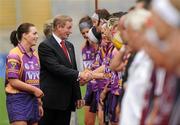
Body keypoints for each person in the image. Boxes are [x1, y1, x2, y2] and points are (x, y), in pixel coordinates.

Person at [38, 15, 90, 125]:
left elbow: (73, 68)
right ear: (59, 27)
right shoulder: (45, 46)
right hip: (51, 102)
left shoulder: (69, 45)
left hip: (66, 101)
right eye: (68, 28)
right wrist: (80, 74)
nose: (70, 31)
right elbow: (56, 68)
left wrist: (77, 96)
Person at [5, 23, 44, 125]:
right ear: (25, 35)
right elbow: (13, 81)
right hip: (18, 100)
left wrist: (39, 103)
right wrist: (35, 90)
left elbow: (36, 81)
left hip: (33, 100)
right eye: (34, 33)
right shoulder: (14, 54)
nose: (37, 36)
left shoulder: (35, 55)